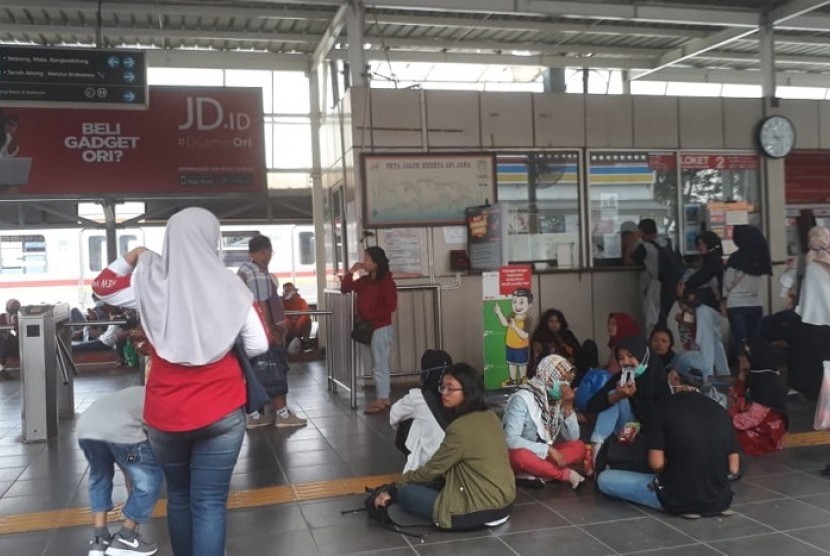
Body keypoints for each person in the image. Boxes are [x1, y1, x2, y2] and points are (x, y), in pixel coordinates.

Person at [92, 207, 269, 556]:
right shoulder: (230, 285)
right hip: (221, 407)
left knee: (180, 497)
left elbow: (104, 288)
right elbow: (259, 344)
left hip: (165, 412)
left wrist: (134, 254)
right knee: (210, 502)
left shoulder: (149, 281)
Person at [374, 363, 515, 530]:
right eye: (443, 388)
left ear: (468, 391)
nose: (445, 394)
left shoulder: (460, 427)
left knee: (407, 493)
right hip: (504, 505)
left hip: (479, 511)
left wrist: (394, 488)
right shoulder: (490, 416)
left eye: (451, 389)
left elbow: (433, 469)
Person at [596, 355, 740, 518]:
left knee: (605, 479)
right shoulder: (720, 411)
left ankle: (685, 505)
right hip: (720, 501)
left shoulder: (662, 408)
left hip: (677, 499)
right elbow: (733, 467)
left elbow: (656, 464)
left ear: (674, 377)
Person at [77, 386, 163, 556]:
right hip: (121, 432)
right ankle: (126, 537)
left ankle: (99, 539)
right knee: (149, 480)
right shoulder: (163, 399)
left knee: (100, 476)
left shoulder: (139, 392)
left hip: (87, 430)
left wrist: (130, 473)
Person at [238, 235, 307, 428]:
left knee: (254, 374)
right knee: (273, 370)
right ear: (265, 251)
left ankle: (255, 416)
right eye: (269, 252)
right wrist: (269, 333)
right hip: (260, 333)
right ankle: (283, 415)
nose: (269, 256)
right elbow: (261, 304)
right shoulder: (257, 273)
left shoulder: (243, 270)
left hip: (247, 333)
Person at [502, 355, 586, 489]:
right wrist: (547, 449)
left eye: (568, 381)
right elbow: (511, 440)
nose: (565, 385)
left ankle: (539, 471)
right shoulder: (522, 399)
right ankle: (563, 474)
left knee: (579, 447)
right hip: (520, 455)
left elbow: (573, 438)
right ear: (547, 375)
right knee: (520, 456)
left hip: (541, 455)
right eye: (561, 379)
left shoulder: (556, 400)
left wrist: (568, 407)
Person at [587, 335, 670, 456]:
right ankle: (596, 448)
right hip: (625, 430)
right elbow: (591, 405)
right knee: (613, 395)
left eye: (631, 356)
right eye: (620, 358)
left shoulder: (658, 378)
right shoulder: (622, 377)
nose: (625, 362)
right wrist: (617, 396)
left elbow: (660, 420)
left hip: (649, 436)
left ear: (644, 355)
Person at [341, 246, 398, 414]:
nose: (363, 262)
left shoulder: (386, 281)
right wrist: (351, 272)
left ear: (376, 262)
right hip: (369, 327)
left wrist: (371, 316)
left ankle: (382, 399)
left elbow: (391, 305)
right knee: (377, 363)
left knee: (380, 364)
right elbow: (345, 288)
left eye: (366, 259)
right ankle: (384, 397)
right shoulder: (366, 281)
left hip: (380, 327)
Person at [390, 350, 454, 473]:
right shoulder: (461, 394)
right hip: (459, 465)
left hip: (430, 470)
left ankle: (416, 457)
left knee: (408, 417)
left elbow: (393, 416)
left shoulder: (418, 398)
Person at [678, 231, 729, 377]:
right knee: (714, 339)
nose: (699, 246)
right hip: (714, 305)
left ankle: (705, 373)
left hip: (706, 306)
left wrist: (687, 286)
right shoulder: (715, 259)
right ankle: (723, 372)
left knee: (704, 340)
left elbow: (702, 277)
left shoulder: (711, 261)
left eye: (701, 243)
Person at [728, 338, 788, 456]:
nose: (740, 363)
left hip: (766, 433)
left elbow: (753, 417)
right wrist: (741, 378)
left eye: (742, 359)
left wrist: (727, 418)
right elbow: (736, 397)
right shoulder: (757, 376)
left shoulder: (764, 384)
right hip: (755, 424)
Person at [790, 226, 830, 400]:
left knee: (810, 356)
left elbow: (785, 281)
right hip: (825, 316)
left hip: (810, 316)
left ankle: (812, 389)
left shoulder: (805, 261)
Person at [724, 225, 772, 355]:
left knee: (741, 341)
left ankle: (742, 368)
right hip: (755, 303)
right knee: (754, 340)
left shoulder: (735, 258)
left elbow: (727, 284)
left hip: (736, 304)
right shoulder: (761, 258)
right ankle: (755, 367)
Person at [493, 288, 533, 386]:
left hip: (521, 348)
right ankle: (512, 379)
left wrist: (515, 327)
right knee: (511, 363)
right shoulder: (512, 315)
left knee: (522, 364)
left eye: (521, 302)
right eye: (514, 302)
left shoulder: (527, 319)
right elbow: (505, 324)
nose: (517, 305)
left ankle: (522, 379)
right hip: (510, 345)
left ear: (530, 305)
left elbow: (525, 335)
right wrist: (499, 313)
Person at [631, 218, 664, 333]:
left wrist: (633, 240)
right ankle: (666, 344)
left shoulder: (645, 247)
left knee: (651, 321)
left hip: (654, 286)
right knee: (664, 319)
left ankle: (653, 346)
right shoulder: (669, 243)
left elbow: (628, 261)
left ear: (641, 231)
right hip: (671, 287)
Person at [528, 308, 581, 379]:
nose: (554, 324)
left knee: (589, 345)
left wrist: (572, 356)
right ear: (546, 323)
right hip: (551, 371)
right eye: (551, 322)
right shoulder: (540, 336)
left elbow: (578, 351)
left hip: (571, 369)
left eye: (557, 322)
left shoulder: (567, 334)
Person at [281, 282, 312, 351]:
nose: (288, 293)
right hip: (287, 329)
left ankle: (305, 342)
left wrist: (298, 326)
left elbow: (305, 314)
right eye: (286, 291)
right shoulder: (281, 302)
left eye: (290, 290)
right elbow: (280, 315)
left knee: (308, 321)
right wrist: (289, 325)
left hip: (299, 327)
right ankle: (283, 344)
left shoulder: (301, 301)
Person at [0, 298, 20, 372]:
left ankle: (3, 367)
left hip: (17, 343)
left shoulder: (20, 317)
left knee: (5, 343)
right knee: (4, 342)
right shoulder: (2, 316)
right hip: (4, 342)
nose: (13, 309)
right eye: (12, 307)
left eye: (16, 307)